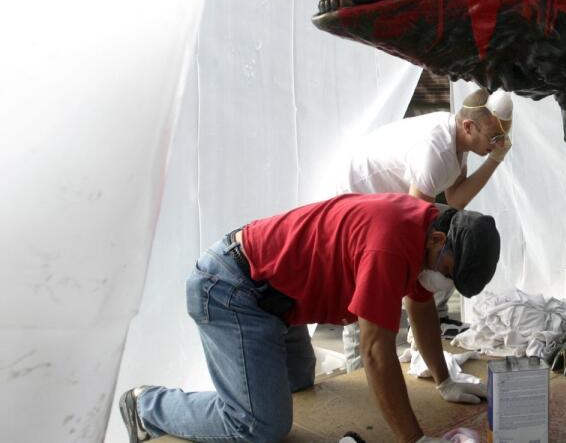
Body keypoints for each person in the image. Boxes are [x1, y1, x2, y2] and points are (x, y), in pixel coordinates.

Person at [117, 193, 501, 443]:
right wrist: (414, 439)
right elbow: (374, 351)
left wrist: (445, 381)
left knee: (299, 381)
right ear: (438, 241)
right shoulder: (393, 244)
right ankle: (147, 406)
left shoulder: (425, 232)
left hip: (277, 295)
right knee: (260, 426)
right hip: (232, 289)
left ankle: (243, 395)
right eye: (448, 271)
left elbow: (421, 310)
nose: (442, 281)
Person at [338, 87, 513, 369]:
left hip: (387, 204)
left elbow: (456, 200)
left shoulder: (460, 143)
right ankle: (360, 371)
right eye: (494, 138)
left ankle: (402, 351)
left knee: (441, 254)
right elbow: (412, 231)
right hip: (355, 205)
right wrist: (417, 296)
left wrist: (495, 160)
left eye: (502, 138)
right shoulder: (436, 151)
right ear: (469, 126)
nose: (497, 143)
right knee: (369, 300)